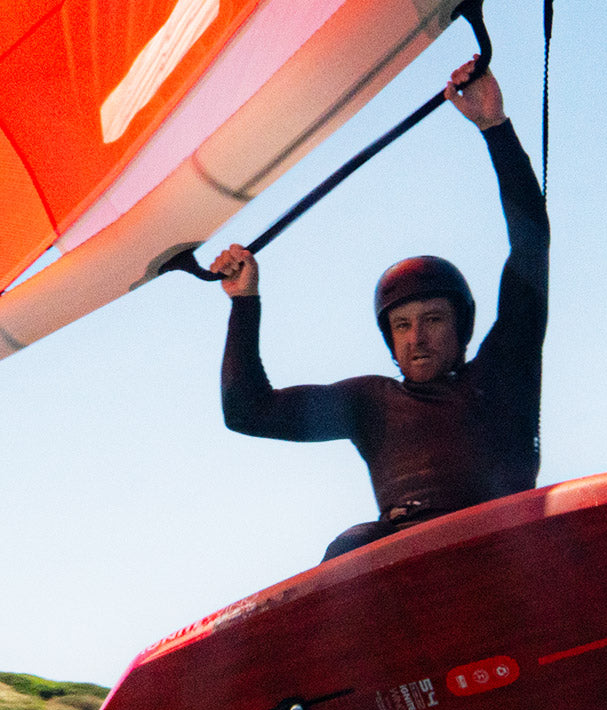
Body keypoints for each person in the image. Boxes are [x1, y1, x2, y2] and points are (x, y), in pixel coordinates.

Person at [211, 60, 549, 562]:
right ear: (389, 338)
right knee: (350, 544)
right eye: (402, 325)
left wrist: (494, 127)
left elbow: (530, 247)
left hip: (508, 549)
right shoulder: (371, 403)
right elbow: (247, 412)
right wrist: (245, 304)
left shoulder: (504, 370)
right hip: (411, 564)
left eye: (433, 320)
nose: (417, 337)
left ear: (461, 329)